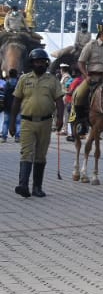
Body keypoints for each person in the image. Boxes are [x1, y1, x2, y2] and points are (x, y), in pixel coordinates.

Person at [11, 48, 61, 198]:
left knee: (40, 155)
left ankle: (37, 188)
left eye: (43, 62)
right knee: (26, 153)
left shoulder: (52, 80)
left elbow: (59, 101)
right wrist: (12, 123)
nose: (40, 64)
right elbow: (16, 101)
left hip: (45, 122)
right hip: (27, 122)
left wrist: (60, 119)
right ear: (31, 63)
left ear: (46, 64)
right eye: (37, 62)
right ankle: (23, 185)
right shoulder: (24, 79)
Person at [73, 19, 103, 136]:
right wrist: (86, 76)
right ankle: (81, 122)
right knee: (78, 95)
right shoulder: (91, 45)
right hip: (93, 78)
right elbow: (81, 62)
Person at [0, 68, 14, 142]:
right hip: (12, 105)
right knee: (16, 122)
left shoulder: (6, 84)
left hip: (6, 105)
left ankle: (4, 136)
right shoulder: (17, 83)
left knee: (5, 121)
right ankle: (17, 136)